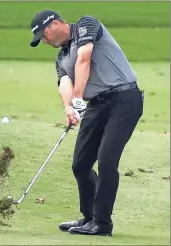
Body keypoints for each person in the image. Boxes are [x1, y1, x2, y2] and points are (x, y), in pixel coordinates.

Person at [29, 10, 144, 236]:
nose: (45, 41)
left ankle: (102, 224)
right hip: (96, 105)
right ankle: (89, 217)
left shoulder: (86, 24)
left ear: (55, 24)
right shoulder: (61, 57)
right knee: (80, 164)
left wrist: (78, 97)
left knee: (107, 159)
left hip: (124, 99)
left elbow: (85, 58)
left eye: (44, 35)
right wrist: (69, 107)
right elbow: (64, 81)